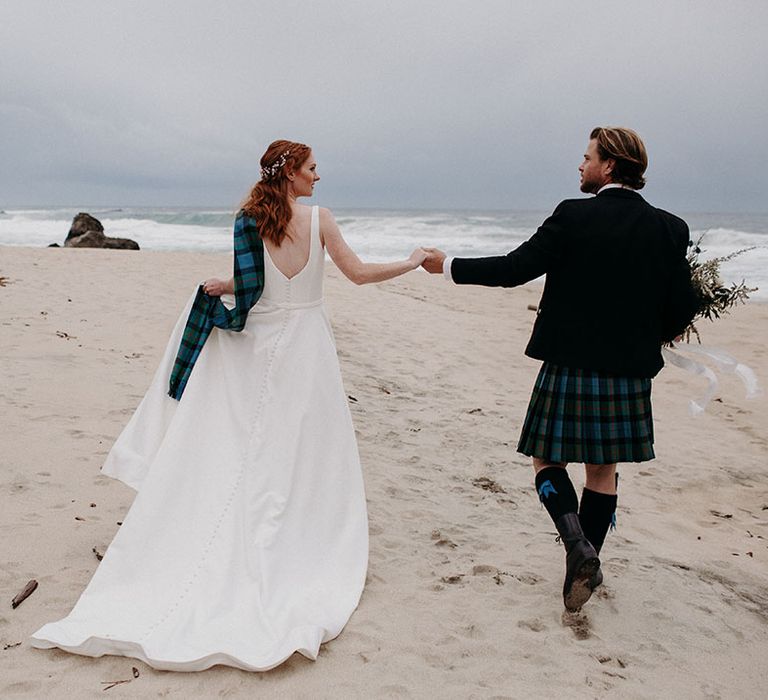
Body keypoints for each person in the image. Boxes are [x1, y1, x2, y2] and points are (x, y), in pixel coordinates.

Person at [31, 140, 427, 671]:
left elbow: (253, 285)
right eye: (311, 168)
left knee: (246, 439)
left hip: (261, 341)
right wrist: (411, 261)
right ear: (289, 172)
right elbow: (357, 275)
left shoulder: (249, 219)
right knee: (299, 446)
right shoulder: (321, 219)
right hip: (307, 345)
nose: (318, 176)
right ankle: (289, 533)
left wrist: (226, 284)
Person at [421, 127, 698, 611]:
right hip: (628, 371)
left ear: (609, 166)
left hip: (570, 362)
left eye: (586, 157)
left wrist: (448, 266)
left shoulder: (573, 215)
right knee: (602, 469)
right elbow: (681, 306)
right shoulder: (671, 228)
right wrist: (665, 329)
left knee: (545, 459)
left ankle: (577, 547)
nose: (580, 166)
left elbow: (513, 269)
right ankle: (584, 565)